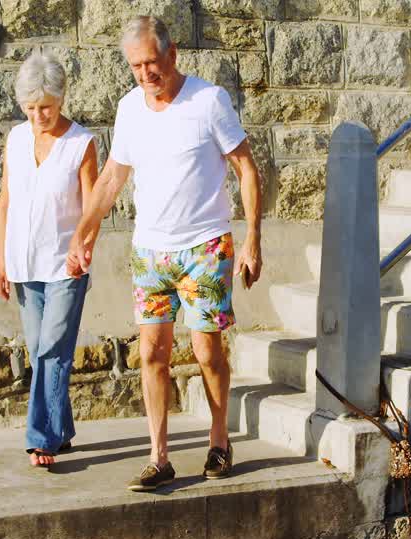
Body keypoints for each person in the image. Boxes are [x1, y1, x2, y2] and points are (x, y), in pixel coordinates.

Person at [68, 15, 263, 492]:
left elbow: (246, 169)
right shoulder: (129, 109)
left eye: (152, 63)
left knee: (206, 350)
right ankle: (158, 457)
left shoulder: (209, 101)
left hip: (205, 246)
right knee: (151, 351)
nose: (146, 74)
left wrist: (253, 239)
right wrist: (83, 232)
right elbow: (112, 178)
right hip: (150, 251)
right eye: (136, 66)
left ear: (172, 54)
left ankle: (219, 439)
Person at [0, 54, 99, 469]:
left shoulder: (81, 144)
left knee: (53, 351)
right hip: (23, 263)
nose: (39, 116)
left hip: (65, 265)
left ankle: (42, 438)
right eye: (31, 107)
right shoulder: (16, 139)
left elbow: (93, 207)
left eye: (47, 107)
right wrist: (0, 262)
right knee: (39, 350)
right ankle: (62, 428)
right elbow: (5, 202)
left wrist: (83, 248)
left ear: (61, 99)